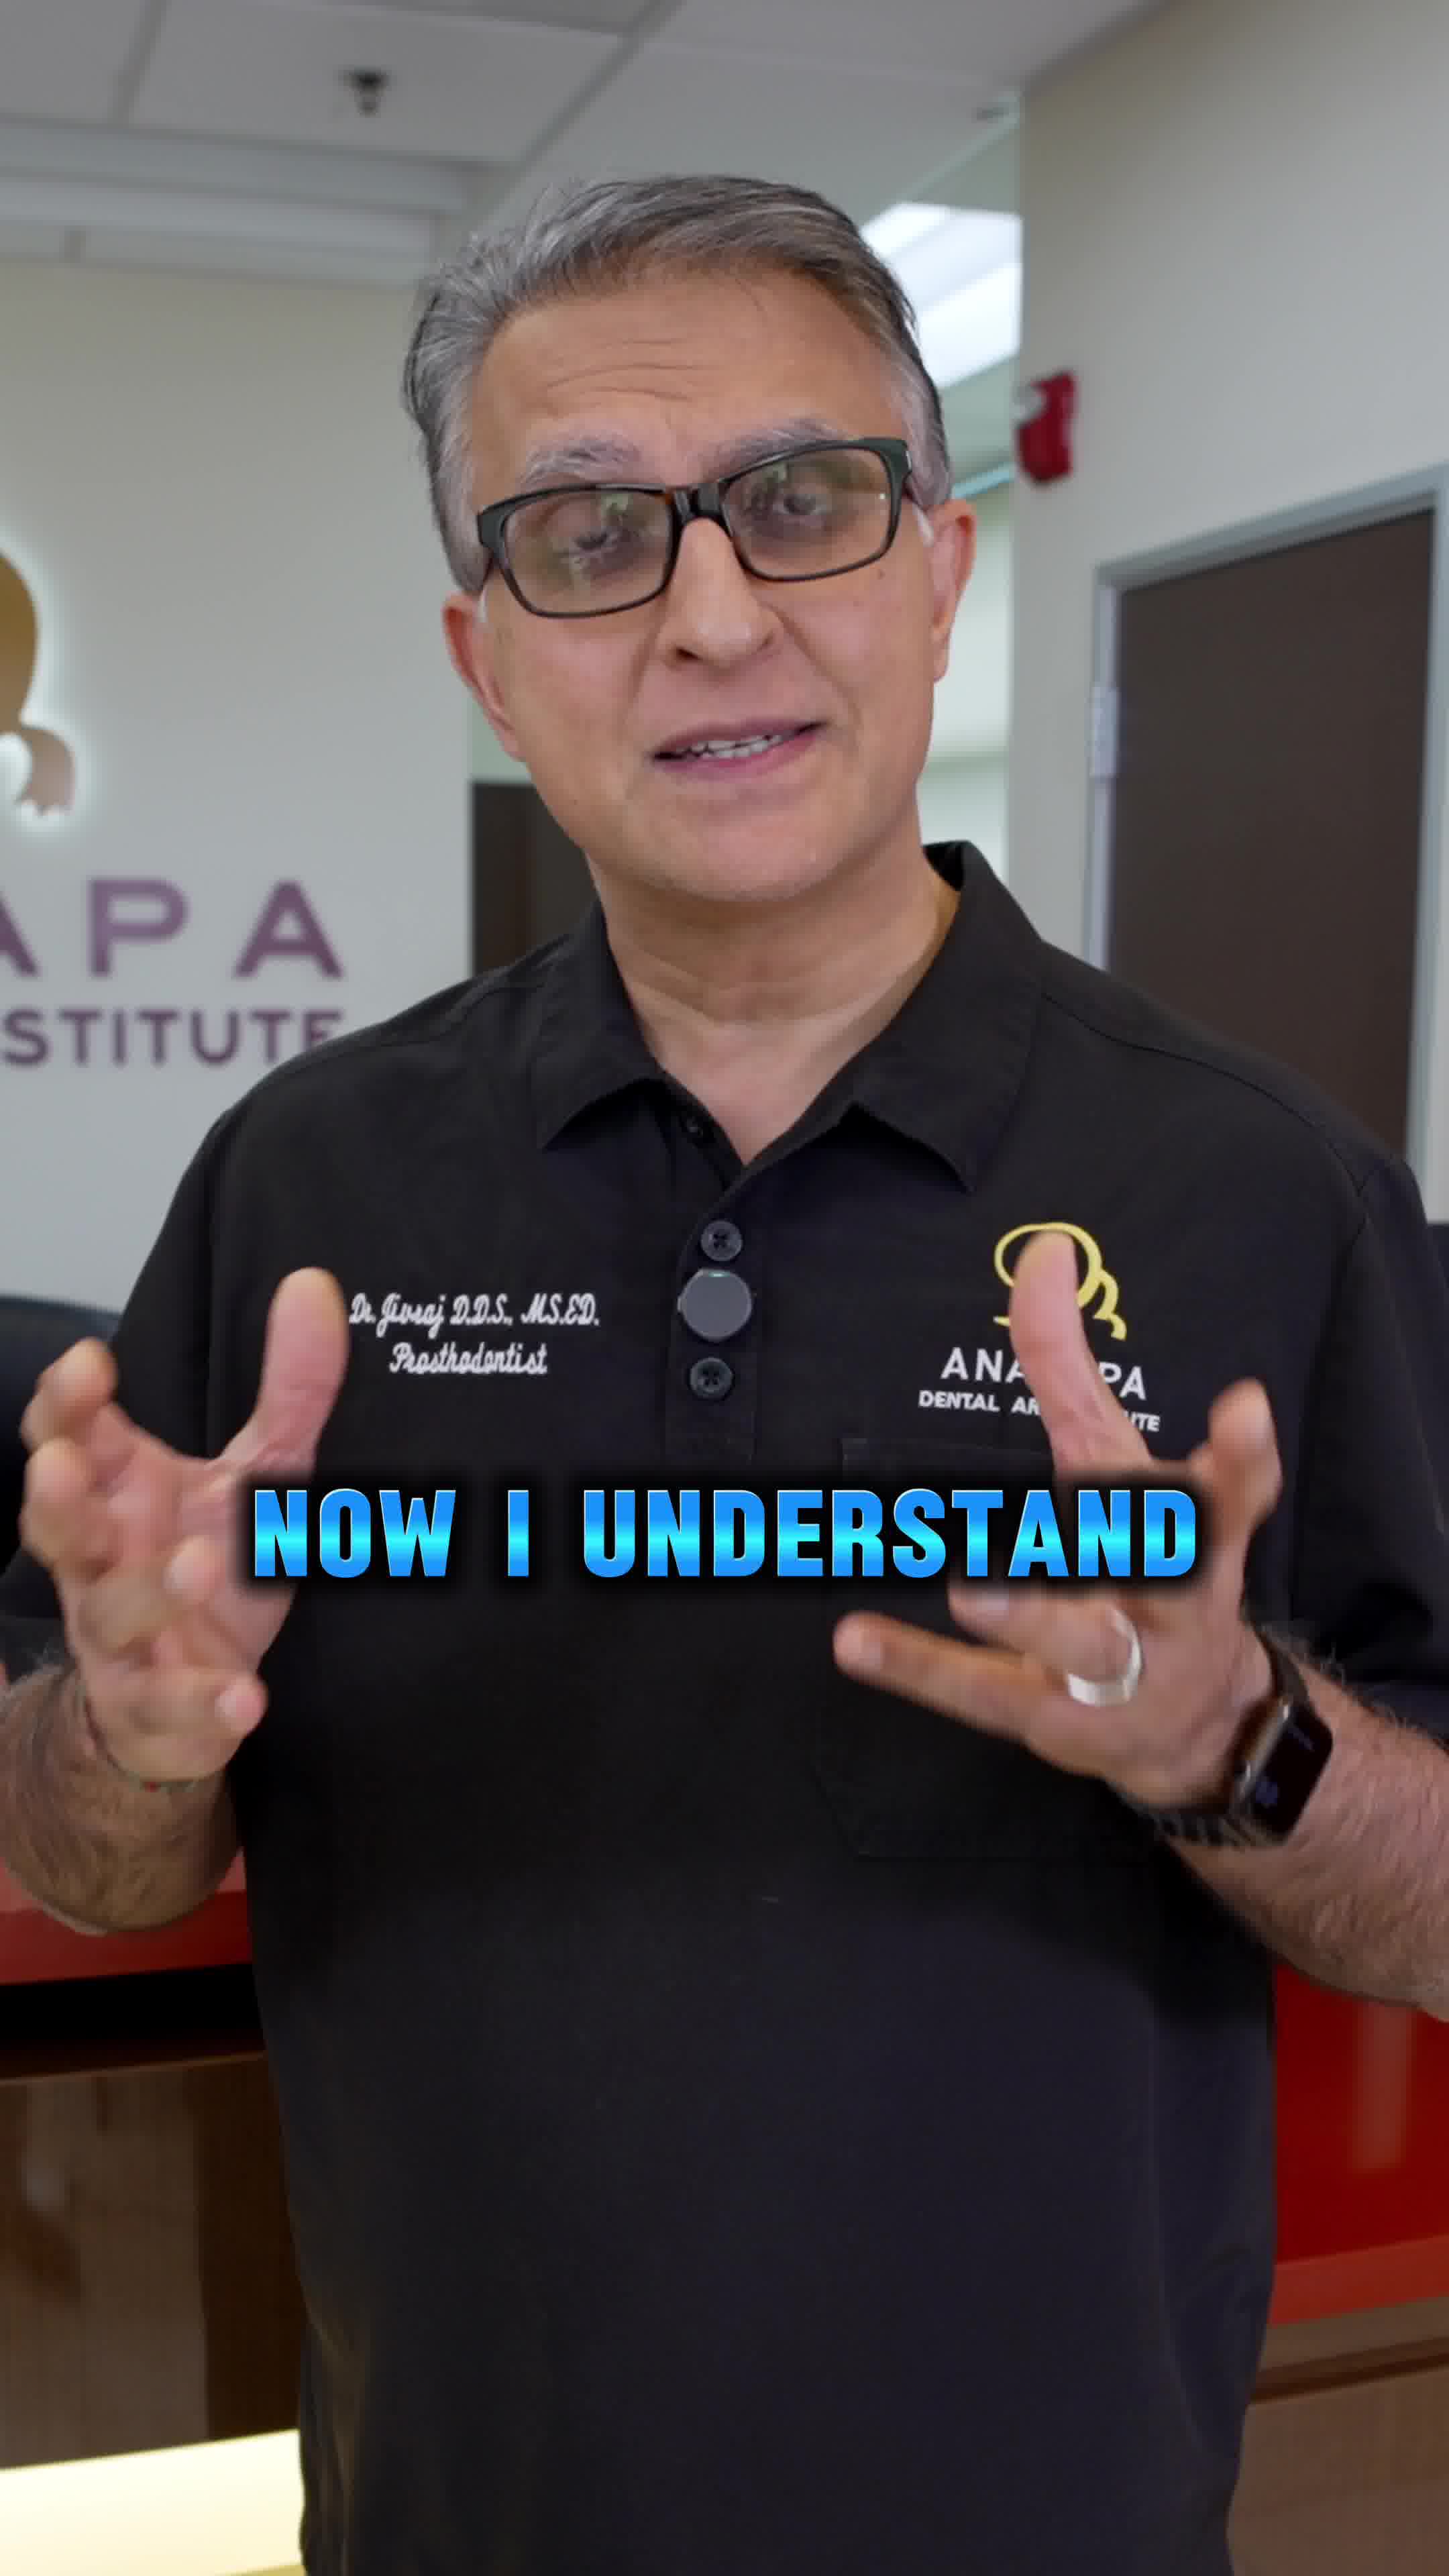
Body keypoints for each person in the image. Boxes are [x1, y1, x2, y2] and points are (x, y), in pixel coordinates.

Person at [3, 172, 1449, 2576]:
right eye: (589, 535)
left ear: (940, 568)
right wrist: (129, 1740)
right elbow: (83, 1843)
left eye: (801, 500)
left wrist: (1240, 1742)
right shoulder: (307, 1185)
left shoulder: (1263, 1188)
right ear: (486, 659)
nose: (708, 614)